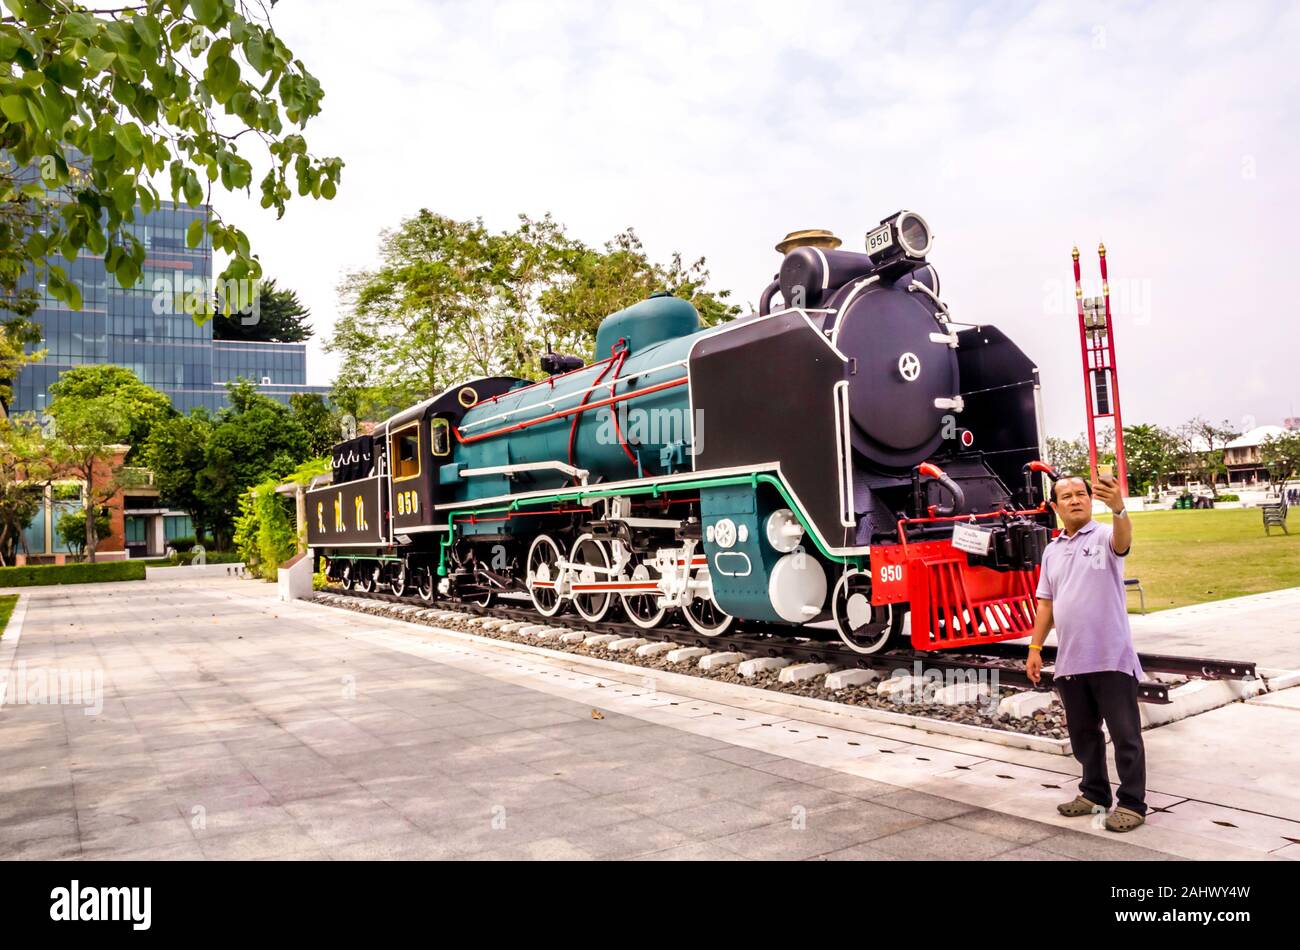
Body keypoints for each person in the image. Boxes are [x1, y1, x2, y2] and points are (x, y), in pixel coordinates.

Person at [1026, 473, 1146, 833]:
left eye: (1081, 494)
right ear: (1055, 506)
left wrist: (1119, 509)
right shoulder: (1052, 550)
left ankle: (1132, 804)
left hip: (1112, 657)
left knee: (1125, 735)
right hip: (1071, 660)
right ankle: (1094, 793)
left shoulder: (1105, 536)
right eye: (1067, 496)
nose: (1075, 500)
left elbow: (1123, 540)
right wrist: (1035, 647)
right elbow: (1046, 604)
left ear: (1091, 500)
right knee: (1084, 735)